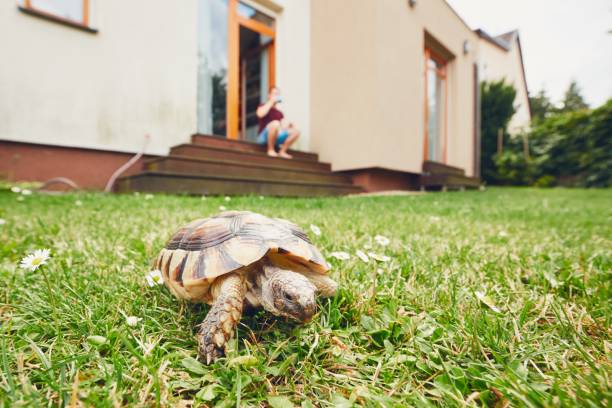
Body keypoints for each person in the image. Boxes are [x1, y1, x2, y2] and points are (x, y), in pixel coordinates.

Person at [256, 87, 300, 159]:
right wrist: (271, 102)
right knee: (275, 123)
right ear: (269, 95)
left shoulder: (280, 113)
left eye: (278, 94)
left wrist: (290, 125)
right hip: (263, 137)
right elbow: (260, 114)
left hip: (276, 137)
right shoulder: (263, 105)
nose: (277, 96)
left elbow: (282, 128)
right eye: (275, 94)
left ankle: (282, 151)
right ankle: (270, 150)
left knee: (296, 131)